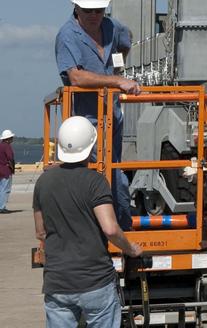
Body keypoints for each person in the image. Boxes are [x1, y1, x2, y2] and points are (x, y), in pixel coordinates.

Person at [34, 116, 143, 328]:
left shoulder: (43, 182)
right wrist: (130, 249)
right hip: (94, 281)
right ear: (91, 145)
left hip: (57, 281)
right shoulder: (95, 182)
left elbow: (40, 232)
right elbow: (110, 228)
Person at [53, 0, 137, 230]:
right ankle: (94, 231)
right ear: (76, 8)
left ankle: (120, 229)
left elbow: (126, 39)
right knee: (93, 178)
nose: (93, 15)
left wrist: (118, 66)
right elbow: (75, 77)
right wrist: (117, 80)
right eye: (88, 10)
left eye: (99, 10)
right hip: (84, 122)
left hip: (112, 116)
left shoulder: (112, 27)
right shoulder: (68, 35)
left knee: (116, 176)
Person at [0, 129, 15, 213]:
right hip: (5, 170)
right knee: (5, 189)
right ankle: (2, 207)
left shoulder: (0, 145)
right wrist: (12, 168)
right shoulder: (7, 146)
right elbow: (10, 158)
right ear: (8, 138)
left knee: (0, 188)